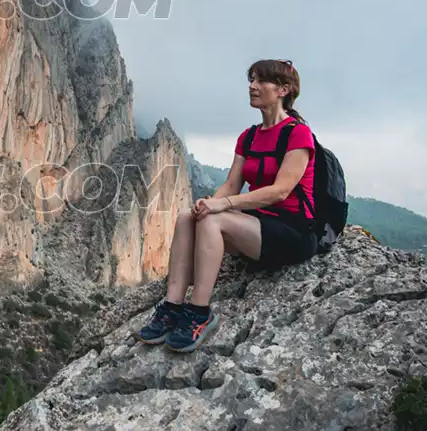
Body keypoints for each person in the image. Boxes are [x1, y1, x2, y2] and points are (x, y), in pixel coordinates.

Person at [136, 58, 319, 353]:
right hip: (258, 225)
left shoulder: (298, 133)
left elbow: (280, 191)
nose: (253, 86)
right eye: (251, 79)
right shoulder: (248, 137)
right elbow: (232, 185)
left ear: (284, 89)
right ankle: (172, 307)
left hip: (294, 231)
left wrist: (223, 206)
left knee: (214, 220)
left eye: (261, 81)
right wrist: (208, 203)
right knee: (188, 217)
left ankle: (199, 312)